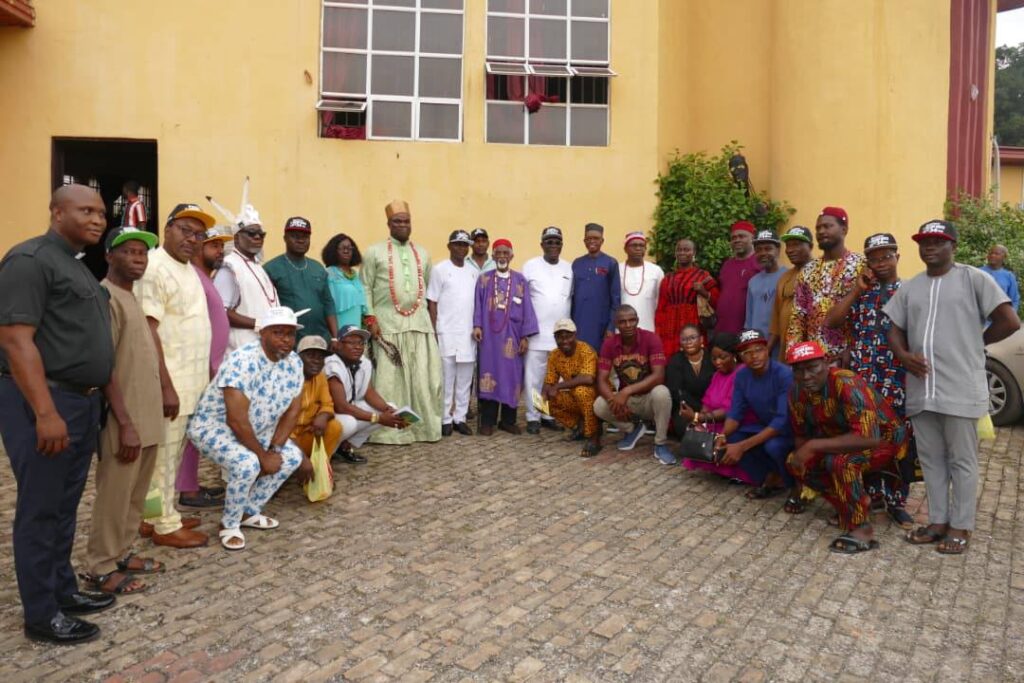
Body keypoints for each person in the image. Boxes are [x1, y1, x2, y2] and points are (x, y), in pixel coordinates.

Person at [0, 185, 115, 644]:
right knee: (40, 509)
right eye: (86, 210)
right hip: (45, 401)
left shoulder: (76, 265)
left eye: (102, 213)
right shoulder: (30, 260)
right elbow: (14, 340)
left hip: (81, 401)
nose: (97, 219)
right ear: (56, 211)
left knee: (65, 507)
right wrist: (45, 413)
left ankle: (62, 591)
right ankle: (42, 615)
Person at [885, 219, 1021, 555]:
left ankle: (961, 526)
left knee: (962, 460)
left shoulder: (973, 278)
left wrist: (976, 342)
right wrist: (903, 355)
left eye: (938, 241)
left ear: (953, 246)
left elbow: (1009, 320)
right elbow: (893, 327)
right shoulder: (911, 287)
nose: (929, 247)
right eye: (924, 242)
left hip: (960, 386)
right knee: (931, 459)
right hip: (922, 388)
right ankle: (937, 522)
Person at [186, 306, 307, 551]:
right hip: (215, 427)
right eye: (278, 333)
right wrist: (262, 457)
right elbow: (236, 420)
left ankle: (248, 511)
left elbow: (293, 410)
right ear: (263, 333)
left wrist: (274, 449)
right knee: (247, 463)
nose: (286, 340)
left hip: (258, 428)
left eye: (290, 334)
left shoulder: (294, 362)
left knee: (291, 456)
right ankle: (229, 524)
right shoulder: (242, 360)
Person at [83, 226, 163, 596]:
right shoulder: (105, 297)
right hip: (123, 417)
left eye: (142, 253)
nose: (138, 259)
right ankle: (100, 566)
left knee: (135, 493)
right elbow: (106, 368)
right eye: (129, 252)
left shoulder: (131, 297)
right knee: (115, 493)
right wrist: (126, 423)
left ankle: (122, 553)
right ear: (109, 255)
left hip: (147, 414)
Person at [137, 204, 216, 549]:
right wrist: (165, 386)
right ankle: (165, 526)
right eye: (185, 230)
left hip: (191, 383)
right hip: (171, 385)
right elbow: (147, 330)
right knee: (163, 457)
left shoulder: (186, 268)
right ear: (167, 229)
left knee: (171, 454)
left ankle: (153, 514)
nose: (192, 239)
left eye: (198, 234)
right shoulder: (154, 267)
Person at [824, 232, 913, 527]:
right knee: (864, 436)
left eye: (886, 256)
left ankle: (896, 500)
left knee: (898, 438)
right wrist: (856, 291)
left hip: (898, 379)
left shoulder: (911, 292)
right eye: (874, 259)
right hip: (864, 380)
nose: (881, 263)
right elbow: (832, 322)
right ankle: (869, 494)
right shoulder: (863, 291)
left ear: (897, 257)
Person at [786, 341, 909, 554]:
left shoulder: (846, 382)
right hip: (841, 441)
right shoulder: (797, 392)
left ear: (826, 363)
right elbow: (801, 435)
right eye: (798, 371)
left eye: (812, 368)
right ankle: (855, 503)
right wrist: (801, 474)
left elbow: (869, 437)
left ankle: (861, 528)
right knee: (795, 461)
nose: (806, 376)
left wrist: (815, 446)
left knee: (841, 463)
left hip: (885, 440)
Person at [360, 200, 442, 444]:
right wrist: (371, 317)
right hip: (387, 326)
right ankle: (390, 431)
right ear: (388, 224)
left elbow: (425, 288)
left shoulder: (424, 253)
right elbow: (365, 286)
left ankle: (424, 429)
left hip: (419, 324)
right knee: (389, 380)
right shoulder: (373, 252)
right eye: (397, 221)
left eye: (406, 221)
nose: (403, 225)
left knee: (424, 378)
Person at [176, 225, 233, 511]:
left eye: (222, 246)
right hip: (200, 368)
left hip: (211, 367)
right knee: (191, 430)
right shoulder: (195, 279)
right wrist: (212, 367)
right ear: (198, 247)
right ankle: (186, 490)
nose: (220, 251)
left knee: (196, 429)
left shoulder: (205, 278)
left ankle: (190, 485)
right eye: (214, 245)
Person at [714, 329, 795, 500]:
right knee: (732, 439)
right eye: (747, 353)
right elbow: (735, 415)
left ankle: (787, 480)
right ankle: (768, 478)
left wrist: (742, 446)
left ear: (767, 350)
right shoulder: (742, 376)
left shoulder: (784, 374)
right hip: (764, 426)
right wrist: (722, 435)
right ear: (741, 357)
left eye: (758, 350)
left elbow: (782, 421)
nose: (754, 356)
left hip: (790, 430)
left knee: (773, 446)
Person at [473, 239, 539, 435]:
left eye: (505, 253)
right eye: (498, 253)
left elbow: (527, 308)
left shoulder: (520, 280)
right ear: (492, 256)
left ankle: (508, 421)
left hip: (513, 336)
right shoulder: (484, 279)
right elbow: (477, 304)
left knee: (511, 377)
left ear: (511, 256)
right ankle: (488, 421)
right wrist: (477, 325)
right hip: (489, 340)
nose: (502, 256)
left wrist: (526, 336)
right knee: (489, 375)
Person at [593, 305, 674, 464]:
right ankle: (632, 429)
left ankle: (660, 444)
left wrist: (626, 391)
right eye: (623, 322)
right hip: (628, 403)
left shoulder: (651, 339)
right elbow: (601, 379)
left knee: (662, 392)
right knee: (599, 405)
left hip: (649, 399)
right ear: (616, 324)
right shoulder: (610, 344)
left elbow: (659, 376)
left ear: (637, 321)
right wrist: (613, 400)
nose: (628, 325)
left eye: (631, 320)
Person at [786, 207, 866, 362]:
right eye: (818, 228)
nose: (821, 231)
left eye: (827, 226)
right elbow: (797, 317)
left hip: (849, 358)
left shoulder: (860, 265)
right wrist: (793, 355)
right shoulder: (808, 270)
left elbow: (868, 314)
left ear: (844, 229)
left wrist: (854, 349)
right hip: (813, 361)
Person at [325, 325, 409, 460]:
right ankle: (325, 455)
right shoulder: (332, 365)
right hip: (329, 414)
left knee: (390, 408)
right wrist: (378, 418)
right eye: (351, 342)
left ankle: (344, 447)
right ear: (339, 345)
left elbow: (369, 392)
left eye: (360, 343)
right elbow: (341, 406)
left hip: (349, 408)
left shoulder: (363, 362)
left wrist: (388, 411)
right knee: (349, 423)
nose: (357, 347)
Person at [427, 230, 479, 436]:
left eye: (465, 245)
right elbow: (432, 302)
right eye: (457, 244)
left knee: (465, 378)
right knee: (447, 378)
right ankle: (445, 418)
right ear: (449, 246)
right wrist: (433, 330)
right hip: (446, 331)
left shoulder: (473, 271)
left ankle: (460, 417)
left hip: (467, 334)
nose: (461, 248)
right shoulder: (439, 270)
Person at [522, 226, 573, 434]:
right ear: (542, 244)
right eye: (549, 242)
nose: (553, 245)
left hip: (561, 337)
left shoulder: (570, 268)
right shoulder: (530, 266)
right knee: (534, 378)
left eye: (557, 242)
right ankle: (533, 416)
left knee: (555, 379)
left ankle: (547, 413)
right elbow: (523, 300)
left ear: (562, 245)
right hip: (536, 334)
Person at [264, 216, 338, 343]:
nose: (301, 240)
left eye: (305, 237)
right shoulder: (270, 269)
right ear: (285, 238)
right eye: (295, 236)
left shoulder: (318, 268)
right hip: (289, 342)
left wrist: (335, 337)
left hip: (321, 340)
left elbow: (328, 304)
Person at [680, 332, 744, 477]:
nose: (718, 362)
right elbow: (707, 402)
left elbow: (730, 410)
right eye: (714, 358)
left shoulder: (742, 374)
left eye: (723, 357)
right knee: (695, 432)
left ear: (734, 355)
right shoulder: (717, 375)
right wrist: (700, 422)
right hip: (714, 421)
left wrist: (699, 417)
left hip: (733, 424)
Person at [214, 214, 280, 353]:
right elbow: (221, 312)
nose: (257, 237)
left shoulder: (258, 266)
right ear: (237, 238)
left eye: (261, 235)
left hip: (264, 350)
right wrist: (259, 324)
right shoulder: (230, 266)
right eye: (251, 233)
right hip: (241, 352)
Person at [542, 319, 601, 457]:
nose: (564, 341)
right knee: (541, 401)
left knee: (582, 391)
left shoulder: (585, 350)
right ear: (555, 338)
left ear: (575, 335)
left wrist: (558, 386)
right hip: (575, 395)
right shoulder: (554, 355)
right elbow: (549, 381)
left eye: (568, 336)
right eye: (560, 337)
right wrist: (543, 395)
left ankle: (593, 436)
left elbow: (588, 378)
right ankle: (580, 427)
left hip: (597, 396)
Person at [655, 238, 718, 356]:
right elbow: (661, 308)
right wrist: (659, 331)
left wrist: (703, 291)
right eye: (679, 250)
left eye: (686, 250)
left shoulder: (703, 275)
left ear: (694, 253)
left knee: (693, 355)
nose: (682, 253)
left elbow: (717, 301)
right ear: (675, 253)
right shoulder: (667, 278)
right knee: (672, 358)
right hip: (670, 326)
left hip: (693, 322)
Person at [290, 335, 343, 460]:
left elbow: (328, 404)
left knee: (334, 427)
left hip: (306, 432)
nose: (316, 361)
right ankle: (299, 463)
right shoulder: (288, 379)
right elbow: (278, 423)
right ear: (298, 357)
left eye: (320, 357)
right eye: (311, 356)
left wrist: (322, 416)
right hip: (284, 438)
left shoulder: (320, 376)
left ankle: (320, 468)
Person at [571, 223, 621, 352]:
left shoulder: (611, 263)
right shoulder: (577, 263)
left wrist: (611, 327)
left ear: (602, 241)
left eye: (596, 238)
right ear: (584, 241)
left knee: (600, 363)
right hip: (579, 322)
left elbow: (616, 298)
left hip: (601, 324)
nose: (592, 241)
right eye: (589, 239)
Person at [769, 226, 814, 361]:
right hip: (786, 350)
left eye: (797, 245)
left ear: (810, 246)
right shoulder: (784, 277)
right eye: (788, 246)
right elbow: (776, 319)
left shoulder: (820, 273)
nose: (790, 250)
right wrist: (767, 350)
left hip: (811, 350)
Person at [665, 324, 715, 438]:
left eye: (692, 338)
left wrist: (706, 410)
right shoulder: (676, 360)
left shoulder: (711, 357)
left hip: (712, 408)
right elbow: (676, 391)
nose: (688, 342)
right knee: (690, 432)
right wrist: (697, 411)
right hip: (686, 408)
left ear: (701, 339)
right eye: (684, 339)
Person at [715, 221, 762, 334]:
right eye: (734, 237)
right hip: (722, 329)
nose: (737, 240)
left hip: (747, 330)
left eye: (742, 236)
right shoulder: (727, 265)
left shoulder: (759, 263)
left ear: (752, 238)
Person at [744, 230, 787, 343]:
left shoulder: (788, 277)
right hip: (758, 345)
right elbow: (749, 318)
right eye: (758, 250)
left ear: (778, 250)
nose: (763, 253)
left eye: (768, 249)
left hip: (781, 344)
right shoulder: (753, 281)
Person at [619, 231, 664, 333]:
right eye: (634, 245)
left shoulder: (656, 270)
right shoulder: (617, 269)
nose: (638, 248)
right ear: (625, 249)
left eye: (641, 245)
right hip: (622, 329)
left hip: (649, 326)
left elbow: (661, 300)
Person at [323, 233, 368, 330]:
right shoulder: (330, 273)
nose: (346, 251)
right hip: (339, 327)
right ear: (334, 251)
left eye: (349, 248)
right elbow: (328, 306)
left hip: (356, 326)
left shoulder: (355, 274)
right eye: (342, 248)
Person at [980, 244, 1020, 312]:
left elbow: (1014, 299)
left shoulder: (1009, 276)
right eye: (991, 253)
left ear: (1004, 257)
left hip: (1001, 318)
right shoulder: (978, 272)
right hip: (980, 318)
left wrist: (1010, 317)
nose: (992, 255)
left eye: (996, 253)